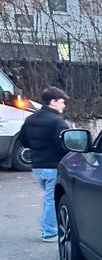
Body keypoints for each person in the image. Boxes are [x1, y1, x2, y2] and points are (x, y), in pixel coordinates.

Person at [19, 86, 70, 242]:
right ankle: (49, 232)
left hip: (37, 167)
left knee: (49, 197)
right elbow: (64, 145)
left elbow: (24, 141)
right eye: (62, 102)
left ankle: (49, 226)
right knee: (51, 199)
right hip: (53, 167)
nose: (64, 105)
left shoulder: (30, 119)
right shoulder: (57, 121)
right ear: (53, 101)